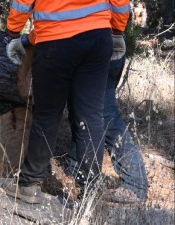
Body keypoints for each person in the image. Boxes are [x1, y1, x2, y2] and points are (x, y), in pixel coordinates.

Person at [2, 0, 131, 204]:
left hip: (55, 45)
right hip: (96, 42)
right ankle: (90, 189)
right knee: (90, 115)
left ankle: (29, 186)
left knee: (47, 114)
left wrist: (14, 32)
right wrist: (117, 32)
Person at [64, 52, 149, 203]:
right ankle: (75, 168)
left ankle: (135, 184)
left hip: (101, 50)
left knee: (106, 116)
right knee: (80, 112)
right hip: (97, 46)